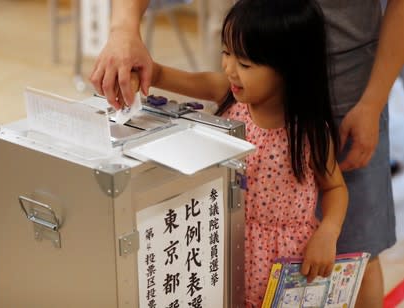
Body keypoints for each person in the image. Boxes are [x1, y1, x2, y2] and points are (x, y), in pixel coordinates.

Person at [90, 1, 401, 307]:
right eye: (227, 53)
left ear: (287, 69)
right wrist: (145, 70)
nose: (229, 69)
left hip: (289, 262)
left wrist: (329, 232)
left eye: (245, 64)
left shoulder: (309, 131)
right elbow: (175, 77)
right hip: (233, 245)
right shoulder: (229, 94)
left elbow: (334, 187)